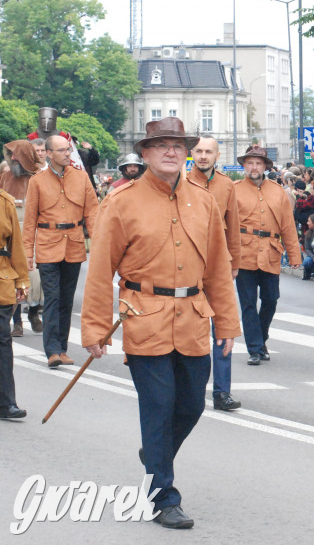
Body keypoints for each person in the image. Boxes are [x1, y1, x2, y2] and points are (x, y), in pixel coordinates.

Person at [80, 117, 241, 529]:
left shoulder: (204, 200)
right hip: (143, 318)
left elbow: (219, 269)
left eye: (178, 145)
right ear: (146, 153)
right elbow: (100, 270)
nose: (171, 151)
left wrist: (227, 324)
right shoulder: (121, 201)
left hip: (192, 319)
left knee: (191, 405)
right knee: (157, 409)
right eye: (161, 145)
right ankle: (163, 495)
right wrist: (95, 328)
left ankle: (156, 453)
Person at [23, 135, 99, 368]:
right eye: (63, 150)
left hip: (74, 245)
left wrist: (100, 245)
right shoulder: (37, 181)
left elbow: (93, 214)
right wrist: (28, 254)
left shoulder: (82, 178)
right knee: (53, 298)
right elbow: (29, 220)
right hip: (47, 245)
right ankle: (52, 351)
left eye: (69, 149)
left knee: (66, 300)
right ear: (49, 154)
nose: (68, 153)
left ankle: (62, 348)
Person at [187, 137, 242, 412]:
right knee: (190, 329)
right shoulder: (182, 182)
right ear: (192, 154)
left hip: (219, 264)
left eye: (208, 151)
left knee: (223, 327)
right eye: (199, 151)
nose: (203, 156)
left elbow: (233, 227)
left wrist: (235, 262)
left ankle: (222, 392)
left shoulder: (227, 184)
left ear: (217, 155)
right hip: (190, 264)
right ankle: (192, 389)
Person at [234, 146, 301, 366]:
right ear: (244, 166)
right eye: (250, 163)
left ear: (265, 166)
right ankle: (254, 348)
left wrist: (294, 255)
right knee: (248, 303)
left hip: (271, 251)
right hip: (244, 252)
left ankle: (261, 338)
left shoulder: (278, 190)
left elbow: (288, 225)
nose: (254, 167)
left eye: (258, 163)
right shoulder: (233, 190)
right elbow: (225, 226)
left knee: (271, 299)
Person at [0, 140, 43, 336]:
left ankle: (34, 311)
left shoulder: (40, 177)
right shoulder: (5, 177)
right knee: (12, 277)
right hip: (10, 232)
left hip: (34, 232)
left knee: (35, 277)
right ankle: (16, 322)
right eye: (12, 156)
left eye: (17, 155)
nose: (14, 159)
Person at [0, 183, 29, 419]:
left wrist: (22, 279)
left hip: (1, 279)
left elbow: (16, 245)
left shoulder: (5, 201)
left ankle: (6, 403)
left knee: (2, 340)